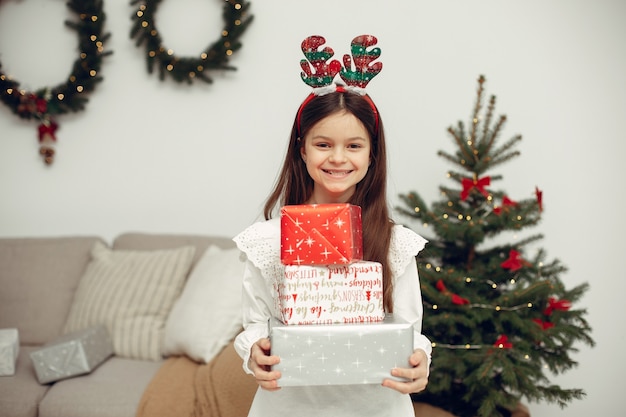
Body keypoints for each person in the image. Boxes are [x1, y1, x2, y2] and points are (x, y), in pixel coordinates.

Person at [233, 35, 431, 417]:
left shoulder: (394, 243)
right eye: (323, 144)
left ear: (372, 154)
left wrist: (419, 356)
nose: (338, 158)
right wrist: (255, 350)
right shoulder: (267, 241)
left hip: (376, 407)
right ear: (302, 149)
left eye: (354, 146)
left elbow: (409, 329)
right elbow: (255, 322)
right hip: (288, 407)